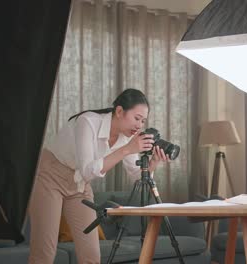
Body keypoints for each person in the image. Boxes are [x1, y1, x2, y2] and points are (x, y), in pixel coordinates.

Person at [28, 88, 170, 263]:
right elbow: (88, 169)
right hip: (49, 176)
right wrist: (127, 150)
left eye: (143, 121)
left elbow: (136, 176)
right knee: (44, 253)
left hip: (80, 185)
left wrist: (154, 162)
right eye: (136, 118)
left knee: (91, 256)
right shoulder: (87, 122)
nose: (140, 126)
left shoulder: (126, 139)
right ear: (119, 111)